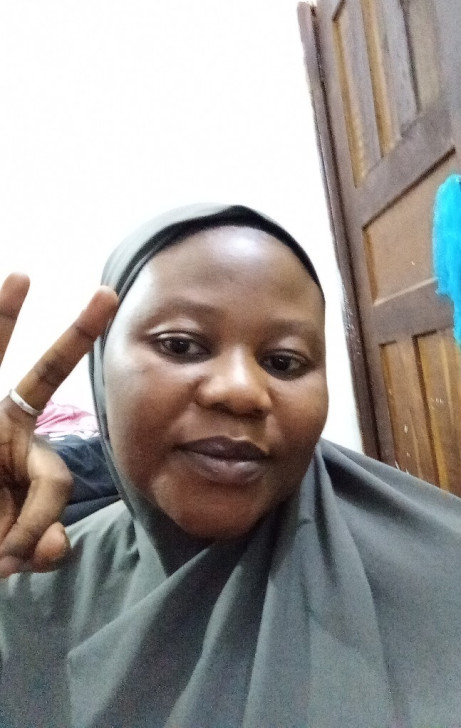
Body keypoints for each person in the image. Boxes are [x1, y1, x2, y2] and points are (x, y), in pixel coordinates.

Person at [1, 203, 461, 728]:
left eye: (283, 361)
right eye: (181, 345)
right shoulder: (27, 584)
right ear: (101, 368)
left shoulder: (445, 578)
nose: (242, 391)